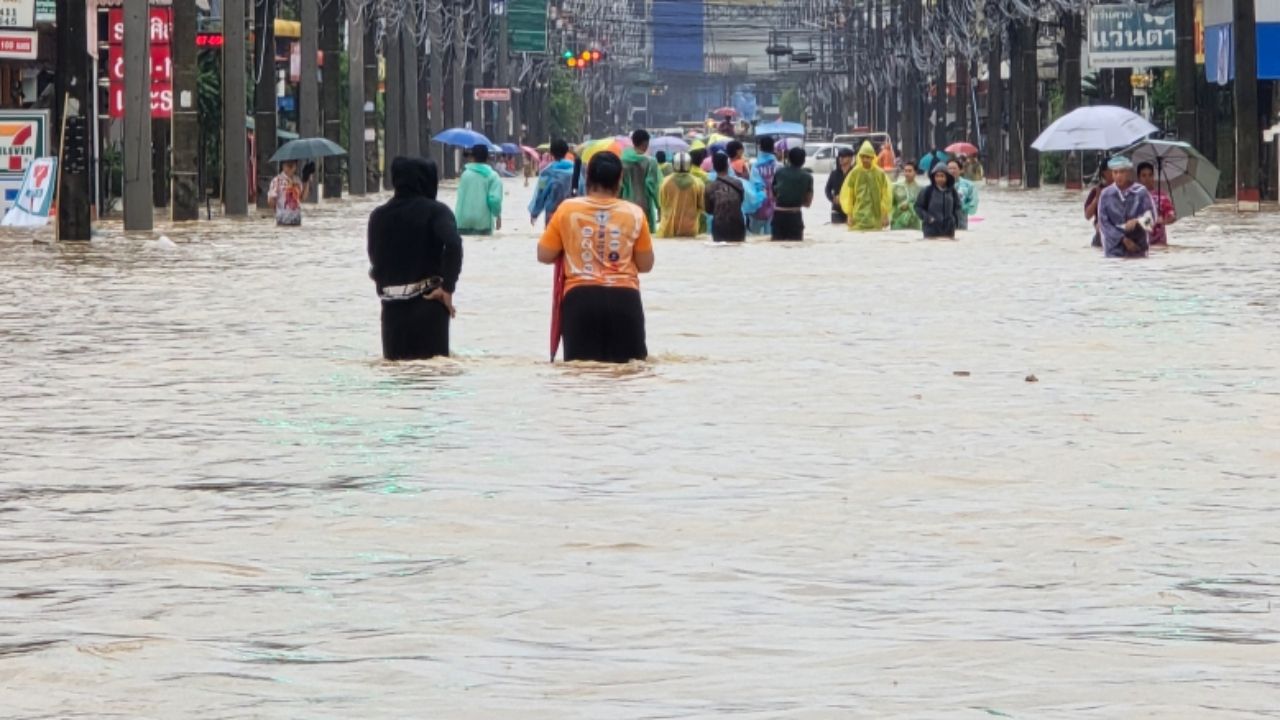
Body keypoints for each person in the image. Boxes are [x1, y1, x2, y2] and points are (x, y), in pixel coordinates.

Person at [537, 151, 654, 363]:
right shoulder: (635, 213)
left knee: (582, 375)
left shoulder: (567, 209)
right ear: (620, 180)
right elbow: (645, 265)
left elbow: (544, 255)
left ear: (588, 177)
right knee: (629, 374)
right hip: (625, 301)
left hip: (579, 301)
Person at [367, 157, 464, 361]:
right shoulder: (437, 211)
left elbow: (375, 259)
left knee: (397, 373)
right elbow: (454, 244)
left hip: (392, 310)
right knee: (432, 374)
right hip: (430, 305)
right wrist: (448, 287)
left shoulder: (378, 216)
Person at [1097, 155, 1154, 259]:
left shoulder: (1141, 192)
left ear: (1128, 173)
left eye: (1122, 172)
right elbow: (1104, 224)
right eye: (1115, 172)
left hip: (1138, 249)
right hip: (1113, 252)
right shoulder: (1105, 195)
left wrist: (1137, 221)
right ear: (1112, 174)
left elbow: (1151, 220)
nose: (1118, 176)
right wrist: (1122, 239)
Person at [839, 141, 892, 231]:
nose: (865, 160)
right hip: (858, 216)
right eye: (863, 157)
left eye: (868, 157)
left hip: (876, 217)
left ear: (873, 157)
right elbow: (849, 195)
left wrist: (885, 215)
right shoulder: (855, 173)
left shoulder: (880, 174)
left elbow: (885, 195)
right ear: (859, 157)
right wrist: (849, 215)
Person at [621, 129, 663, 232]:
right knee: (644, 234)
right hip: (644, 205)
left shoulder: (622, 160)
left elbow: (619, 186)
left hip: (626, 205)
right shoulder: (650, 162)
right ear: (645, 143)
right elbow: (654, 186)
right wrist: (659, 206)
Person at [455, 144, 503, 235]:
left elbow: (460, 198)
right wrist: (498, 215)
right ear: (487, 158)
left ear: (472, 157)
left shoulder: (465, 175)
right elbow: (495, 200)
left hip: (462, 222)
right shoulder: (493, 176)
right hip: (483, 223)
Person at [657, 152, 705, 238]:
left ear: (673, 165)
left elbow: (662, 204)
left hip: (668, 228)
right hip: (690, 228)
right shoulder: (698, 183)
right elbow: (702, 206)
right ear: (690, 165)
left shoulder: (665, 182)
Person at [528, 138, 575, 228]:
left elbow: (540, 194)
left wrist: (535, 213)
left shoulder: (546, 173)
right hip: (573, 215)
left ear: (551, 153)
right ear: (566, 151)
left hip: (552, 215)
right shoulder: (577, 171)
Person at [771, 147, 814, 241]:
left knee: (776, 246)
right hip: (795, 217)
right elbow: (808, 203)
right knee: (796, 247)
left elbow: (773, 196)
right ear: (803, 161)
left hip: (778, 216)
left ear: (789, 159)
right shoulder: (808, 177)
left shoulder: (779, 173)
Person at [704, 152, 747, 243]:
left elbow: (708, 210)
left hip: (719, 226)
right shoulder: (738, 183)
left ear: (714, 167)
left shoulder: (709, 187)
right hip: (738, 224)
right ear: (727, 166)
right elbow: (740, 201)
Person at [915, 164, 963, 240]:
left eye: (942, 176)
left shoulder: (952, 191)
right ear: (933, 177)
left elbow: (958, 207)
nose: (939, 179)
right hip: (931, 229)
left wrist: (954, 221)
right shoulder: (927, 191)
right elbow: (918, 207)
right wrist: (928, 218)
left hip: (949, 230)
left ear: (947, 177)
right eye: (937, 176)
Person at [1136, 161, 1177, 246]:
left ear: (1153, 176)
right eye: (1144, 175)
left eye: (1150, 175)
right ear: (1139, 178)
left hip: (1159, 245)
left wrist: (1162, 220)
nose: (1147, 179)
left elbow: (1172, 217)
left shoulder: (1162, 197)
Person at [748, 136, 780, 235]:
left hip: (759, 205)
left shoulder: (755, 166)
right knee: (771, 235)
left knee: (754, 235)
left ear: (760, 147)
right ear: (773, 148)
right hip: (775, 205)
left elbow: (754, 185)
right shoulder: (779, 166)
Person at [267, 159, 313, 226]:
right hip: (282, 220)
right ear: (283, 165)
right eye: (288, 164)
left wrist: (306, 180)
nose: (290, 166)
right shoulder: (277, 181)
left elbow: (302, 198)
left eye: (293, 164)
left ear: (296, 166)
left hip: (296, 220)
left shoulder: (297, 180)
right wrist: (273, 198)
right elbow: (270, 203)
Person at [1085, 161, 1114, 248]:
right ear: (1104, 173)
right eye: (1112, 169)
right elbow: (1087, 216)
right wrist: (1096, 199)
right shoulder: (1096, 191)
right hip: (1101, 233)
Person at [947, 158, 979, 230]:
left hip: (961, 221)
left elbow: (973, 203)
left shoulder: (969, 185)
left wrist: (962, 207)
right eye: (949, 168)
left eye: (954, 168)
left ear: (961, 170)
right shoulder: (941, 185)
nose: (952, 171)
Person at [825, 147, 855, 224]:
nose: (841, 158)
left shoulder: (855, 173)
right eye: (840, 156)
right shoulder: (834, 173)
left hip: (851, 210)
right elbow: (827, 190)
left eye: (844, 156)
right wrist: (833, 198)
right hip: (837, 209)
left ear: (851, 158)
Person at [890, 161, 923, 231]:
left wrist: (909, 205)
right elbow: (890, 204)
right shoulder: (896, 187)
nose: (907, 173)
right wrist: (899, 208)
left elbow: (923, 207)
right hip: (898, 221)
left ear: (915, 172)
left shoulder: (920, 189)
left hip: (915, 222)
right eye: (905, 171)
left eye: (910, 171)